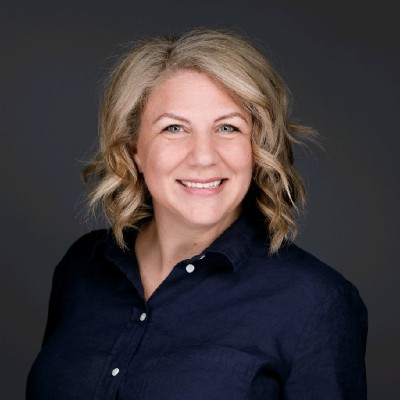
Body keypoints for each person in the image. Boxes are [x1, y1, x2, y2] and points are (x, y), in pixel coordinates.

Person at [26, 28, 367, 399]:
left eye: (228, 127)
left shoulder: (315, 302)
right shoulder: (82, 267)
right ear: (134, 149)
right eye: (174, 128)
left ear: (258, 147)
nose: (203, 156)